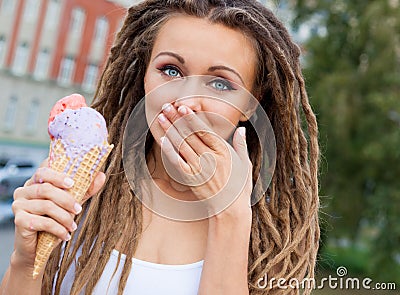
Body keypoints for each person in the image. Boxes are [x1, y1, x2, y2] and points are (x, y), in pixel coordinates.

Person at [0, 0, 320, 294]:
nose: (186, 101)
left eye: (220, 83)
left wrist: (231, 217)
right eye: (171, 70)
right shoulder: (80, 195)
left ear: (253, 103)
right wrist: (25, 262)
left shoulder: (272, 239)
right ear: (145, 76)